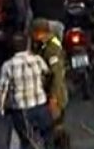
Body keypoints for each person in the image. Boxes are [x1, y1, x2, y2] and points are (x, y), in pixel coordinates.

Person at [0, 33, 53, 149]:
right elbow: (48, 74)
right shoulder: (37, 60)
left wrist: (1, 108)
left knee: (27, 141)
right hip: (41, 105)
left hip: (22, 110)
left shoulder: (8, 66)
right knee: (48, 136)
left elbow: (2, 90)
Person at [31, 18, 69, 149]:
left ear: (40, 32)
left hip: (55, 96)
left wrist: (53, 98)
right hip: (52, 95)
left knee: (56, 130)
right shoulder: (45, 45)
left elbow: (57, 75)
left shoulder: (51, 49)